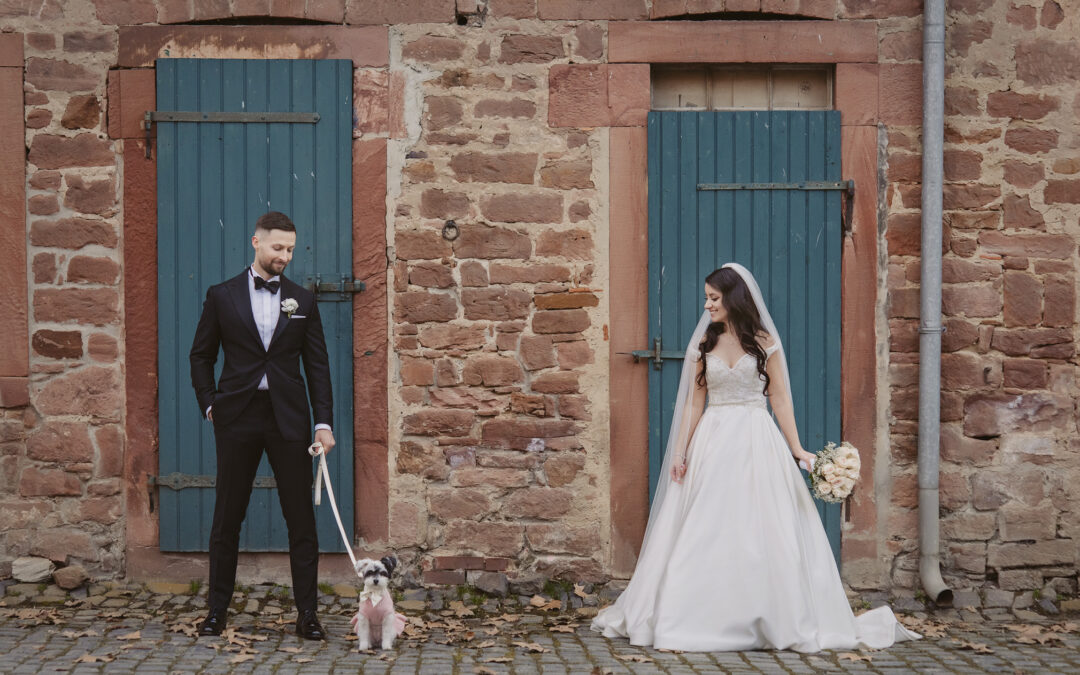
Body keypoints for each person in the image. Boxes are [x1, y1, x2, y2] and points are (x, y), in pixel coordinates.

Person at [592, 263, 919, 652]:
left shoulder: (765, 342)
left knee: (763, 525)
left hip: (755, 437)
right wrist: (680, 451)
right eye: (707, 297)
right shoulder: (705, 345)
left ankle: (770, 614)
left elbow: (779, 397)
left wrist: (797, 448)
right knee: (705, 523)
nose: (707, 304)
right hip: (712, 439)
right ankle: (694, 615)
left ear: (733, 298)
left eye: (714, 297)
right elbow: (695, 404)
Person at [190, 211, 335, 640]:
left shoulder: (302, 301)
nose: (284, 257)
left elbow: (318, 367)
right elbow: (201, 355)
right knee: (227, 518)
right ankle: (217, 611)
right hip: (236, 416)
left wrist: (323, 423)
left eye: (290, 249)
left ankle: (307, 614)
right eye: (277, 248)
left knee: (301, 521)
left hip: (289, 418)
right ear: (255, 242)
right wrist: (209, 404)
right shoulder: (222, 296)